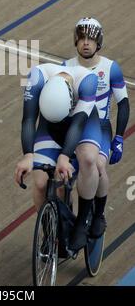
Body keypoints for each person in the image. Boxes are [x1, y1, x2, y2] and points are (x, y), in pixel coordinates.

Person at [14, 62, 102, 251]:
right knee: (40, 183)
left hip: (82, 123)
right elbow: (29, 119)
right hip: (49, 125)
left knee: (87, 158)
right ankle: (50, 233)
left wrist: (64, 156)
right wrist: (28, 155)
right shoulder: (37, 77)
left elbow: (77, 126)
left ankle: (82, 222)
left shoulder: (87, 81)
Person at [63, 17, 130, 238]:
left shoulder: (110, 68)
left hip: (100, 127)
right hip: (75, 125)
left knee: (97, 166)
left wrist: (119, 138)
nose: (85, 43)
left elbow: (123, 104)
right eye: (81, 38)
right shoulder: (66, 67)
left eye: (90, 39)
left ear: (98, 42)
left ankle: (98, 214)